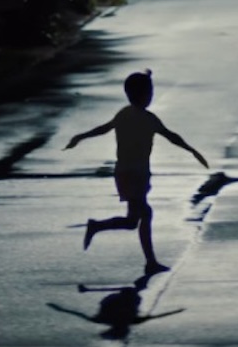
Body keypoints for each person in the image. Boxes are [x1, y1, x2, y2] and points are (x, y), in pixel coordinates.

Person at [64, 69, 208, 275]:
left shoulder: (125, 114)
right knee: (145, 214)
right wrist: (191, 150)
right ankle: (150, 262)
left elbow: (104, 128)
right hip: (132, 174)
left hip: (131, 173)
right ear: (141, 95)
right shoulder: (148, 118)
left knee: (133, 221)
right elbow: (170, 136)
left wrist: (81, 137)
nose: (151, 96)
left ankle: (97, 227)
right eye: (149, 92)